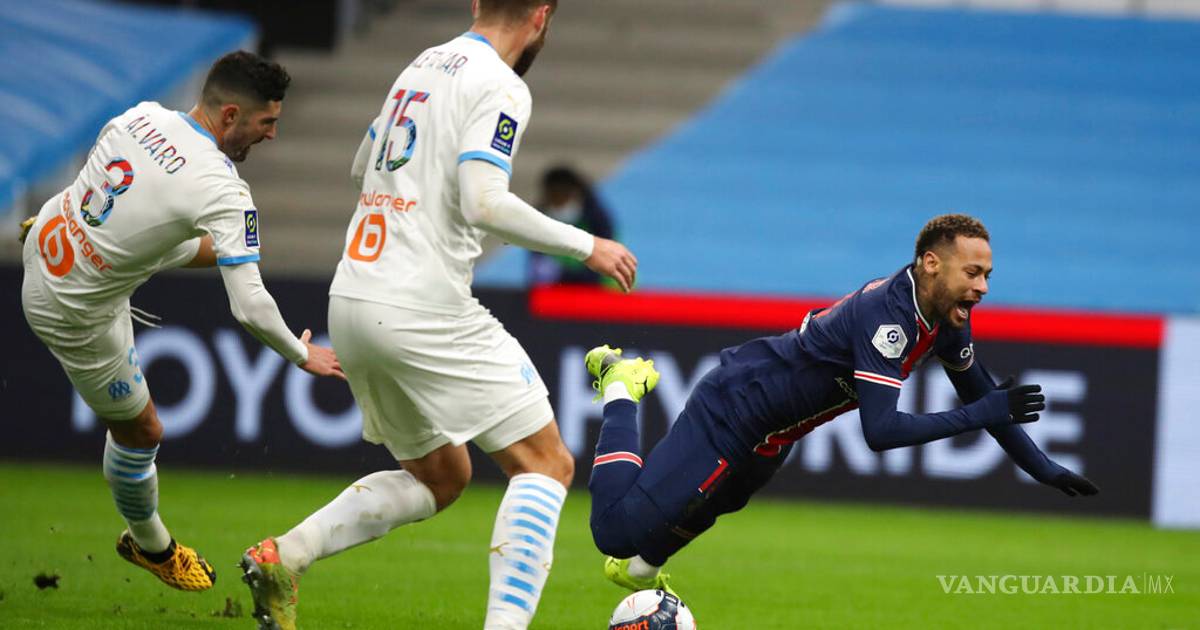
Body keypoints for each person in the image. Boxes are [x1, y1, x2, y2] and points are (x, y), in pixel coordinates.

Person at [238, 1, 638, 629]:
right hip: (421, 301)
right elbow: (484, 202)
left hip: (354, 294)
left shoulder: (420, 66)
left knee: (441, 475)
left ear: (476, 4)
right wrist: (586, 245)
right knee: (546, 463)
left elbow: (361, 165)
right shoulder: (502, 85)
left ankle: (287, 555)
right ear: (541, 17)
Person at [583, 214, 1099, 595]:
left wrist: (1044, 468)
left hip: (775, 432)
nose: (982, 287)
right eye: (972, 273)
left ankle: (641, 572)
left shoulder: (945, 316)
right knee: (614, 531)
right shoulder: (888, 318)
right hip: (734, 406)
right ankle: (622, 385)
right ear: (931, 264)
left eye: (987, 275)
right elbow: (883, 431)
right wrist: (984, 413)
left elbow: (986, 398)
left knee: (717, 503)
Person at [18, 51, 345, 591]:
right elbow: (250, 307)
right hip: (73, 311)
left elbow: (122, 199)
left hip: (52, 238)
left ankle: (45, 227)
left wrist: (232, 248)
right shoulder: (223, 187)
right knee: (142, 431)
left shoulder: (142, 116)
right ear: (232, 115)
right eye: (267, 122)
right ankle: (151, 546)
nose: (272, 135)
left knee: (182, 240)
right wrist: (299, 352)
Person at [528, 165, 616, 285]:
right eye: (554, 198)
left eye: (563, 197)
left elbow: (607, 263)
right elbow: (537, 267)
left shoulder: (600, 221)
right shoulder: (537, 221)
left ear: (575, 194)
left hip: (602, 288)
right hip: (558, 289)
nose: (559, 204)